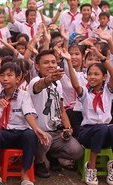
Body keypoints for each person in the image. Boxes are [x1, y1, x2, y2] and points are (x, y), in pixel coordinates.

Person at [0, 62, 49, 185]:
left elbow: (28, 113)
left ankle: (25, 173)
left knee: (31, 135)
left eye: (9, 75)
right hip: (5, 132)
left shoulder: (24, 95)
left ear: (18, 79)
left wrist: (36, 129)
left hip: (21, 132)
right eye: (2, 75)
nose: (5, 79)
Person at [62, 46, 113, 185]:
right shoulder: (85, 93)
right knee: (101, 128)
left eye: (96, 74)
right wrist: (69, 61)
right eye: (90, 74)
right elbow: (76, 85)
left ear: (104, 77)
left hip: (105, 133)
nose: (92, 77)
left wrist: (100, 56)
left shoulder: (108, 91)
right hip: (88, 133)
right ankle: (91, 166)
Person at [28, 49, 83, 177]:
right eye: (46, 63)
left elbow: (61, 108)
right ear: (37, 66)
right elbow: (40, 85)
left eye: (53, 62)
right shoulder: (34, 82)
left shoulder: (57, 83)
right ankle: (39, 161)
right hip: (38, 133)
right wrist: (49, 79)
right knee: (45, 139)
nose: (51, 65)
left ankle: (51, 155)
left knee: (77, 151)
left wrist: (68, 128)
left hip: (56, 131)